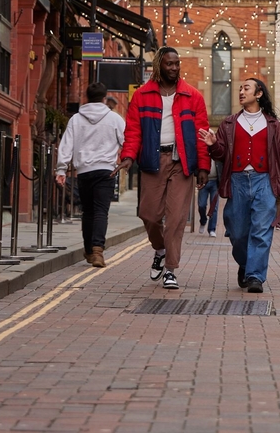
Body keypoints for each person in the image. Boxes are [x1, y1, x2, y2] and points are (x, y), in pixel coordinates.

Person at [113, 46, 209, 290]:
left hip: (182, 162)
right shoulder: (143, 95)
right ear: (159, 65)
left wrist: (203, 167)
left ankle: (170, 269)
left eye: (177, 64)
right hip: (153, 161)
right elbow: (133, 131)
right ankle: (159, 249)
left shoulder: (192, 96)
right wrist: (128, 157)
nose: (174, 68)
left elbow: (201, 134)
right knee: (149, 215)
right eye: (169, 64)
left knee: (176, 218)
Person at [198, 78, 280, 294]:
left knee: (261, 230)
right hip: (237, 180)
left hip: (265, 180)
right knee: (237, 232)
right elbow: (221, 156)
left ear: (258, 94)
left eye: (246, 88)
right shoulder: (228, 124)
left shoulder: (274, 126)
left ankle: (255, 276)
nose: (241, 91)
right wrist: (213, 145)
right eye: (240, 88)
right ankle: (246, 265)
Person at [55, 82, 125, 268]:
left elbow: (66, 145)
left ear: (87, 98)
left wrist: (61, 169)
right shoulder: (115, 119)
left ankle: (88, 249)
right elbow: (127, 141)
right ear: (104, 98)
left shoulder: (76, 119)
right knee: (101, 211)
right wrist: (124, 159)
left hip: (84, 172)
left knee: (88, 212)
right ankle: (97, 250)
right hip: (106, 171)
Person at [198, 160, 221, 236]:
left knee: (214, 207)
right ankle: (203, 220)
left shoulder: (216, 150)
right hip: (203, 180)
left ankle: (212, 229)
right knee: (201, 204)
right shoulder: (203, 150)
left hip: (215, 182)